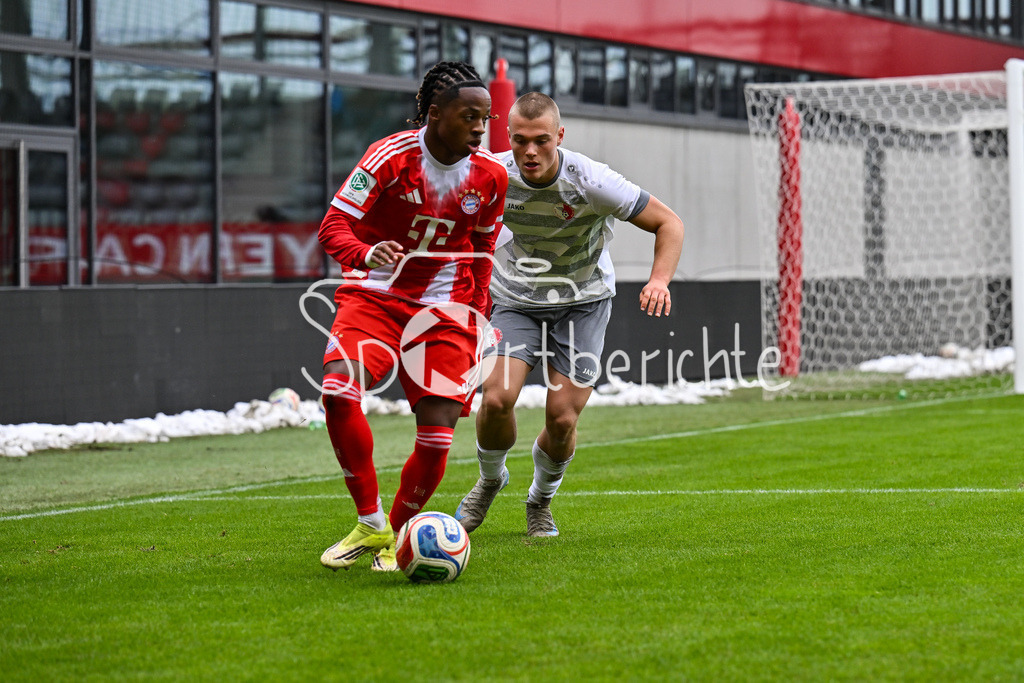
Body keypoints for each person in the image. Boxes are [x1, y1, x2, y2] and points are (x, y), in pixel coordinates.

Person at [455, 92, 684, 537]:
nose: (530, 151)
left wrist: (659, 280)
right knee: (498, 398)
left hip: (583, 301)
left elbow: (669, 223)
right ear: (508, 138)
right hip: (516, 299)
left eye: (542, 140)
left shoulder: (592, 181)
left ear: (559, 136)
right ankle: (489, 479)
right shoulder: (490, 176)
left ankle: (539, 500)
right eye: (520, 141)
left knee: (561, 418)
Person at [317, 61, 508, 571]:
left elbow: (485, 245)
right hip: (375, 298)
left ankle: (398, 536)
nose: (478, 127)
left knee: (439, 432)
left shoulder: (490, 176)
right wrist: (363, 252)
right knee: (338, 390)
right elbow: (333, 227)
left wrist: (479, 313)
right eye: (468, 116)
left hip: (446, 309)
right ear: (433, 112)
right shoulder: (388, 157)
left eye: (484, 118)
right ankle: (370, 520)